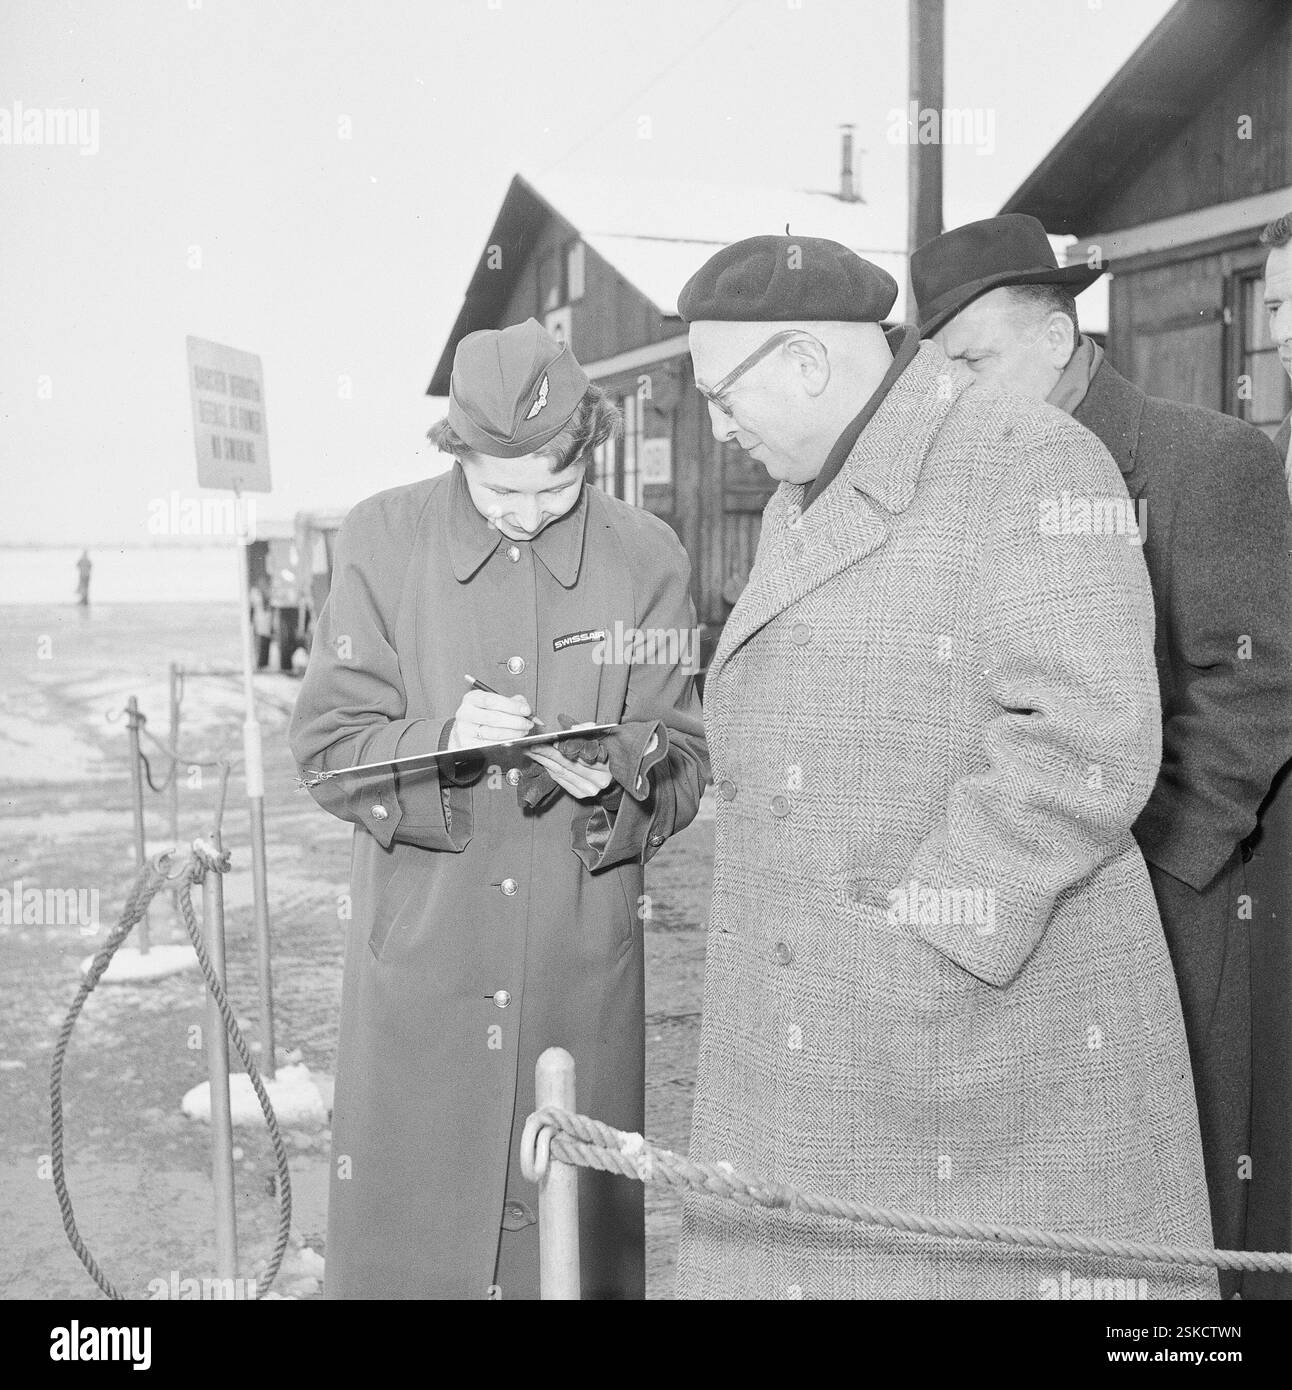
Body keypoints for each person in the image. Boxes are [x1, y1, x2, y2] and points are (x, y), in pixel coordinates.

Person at [673, 233, 1214, 1299]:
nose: (715, 425)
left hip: (967, 1046)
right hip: (825, 1034)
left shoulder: (1029, 458)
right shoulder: (802, 496)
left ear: (806, 363)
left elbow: (1086, 738)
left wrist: (922, 938)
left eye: (720, 394)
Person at [289, 318, 709, 1299]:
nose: (524, 514)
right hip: (425, 974)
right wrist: (439, 741)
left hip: (578, 971)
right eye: (498, 490)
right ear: (455, 453)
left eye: (553, 489)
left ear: (588, 451)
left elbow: (684, 757)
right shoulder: (382, 538)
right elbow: (326, 752)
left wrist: (621, 771)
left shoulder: (647, 555)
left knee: (572, 1254)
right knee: (408, 1260)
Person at [913, 213, 1292, 1297]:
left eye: (973, 362)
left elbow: (1255, 685)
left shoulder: (1201, 458)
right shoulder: (969, 484)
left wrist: (1142, 869)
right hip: (1034, 892)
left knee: (1201, 1186)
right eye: (937, 373)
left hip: (1190, 896)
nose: (955, 394)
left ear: (1053, 333)